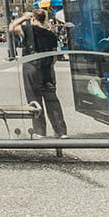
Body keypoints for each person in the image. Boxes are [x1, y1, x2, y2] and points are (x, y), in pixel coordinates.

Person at [10, 9, 67, 138]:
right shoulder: (51, 34)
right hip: (47, 69)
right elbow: (54, 56)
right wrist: (49, 68)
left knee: (34, 100)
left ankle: (40, 131)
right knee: (52, 101)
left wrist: (23, 18)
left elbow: (12, 27)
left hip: (31, 67)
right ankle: (61, 131)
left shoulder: (28, 30)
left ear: (33, 18)